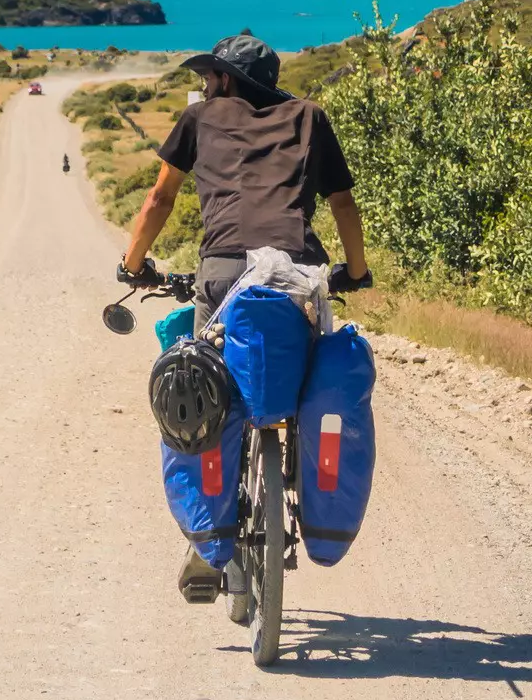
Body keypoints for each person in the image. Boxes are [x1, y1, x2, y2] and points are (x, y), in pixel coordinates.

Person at [118, 33, 372, 602]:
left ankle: (210, 535)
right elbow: (343, 205)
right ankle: (304, 486)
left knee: (212, 394)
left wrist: (133, 265)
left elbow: (159, 201)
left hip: (225, 273)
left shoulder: (200, 118)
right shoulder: (310, 116)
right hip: (298, 275)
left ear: (226, 79)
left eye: (210, 76)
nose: (205, 85)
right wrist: (355, 271)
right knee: (303, 378)